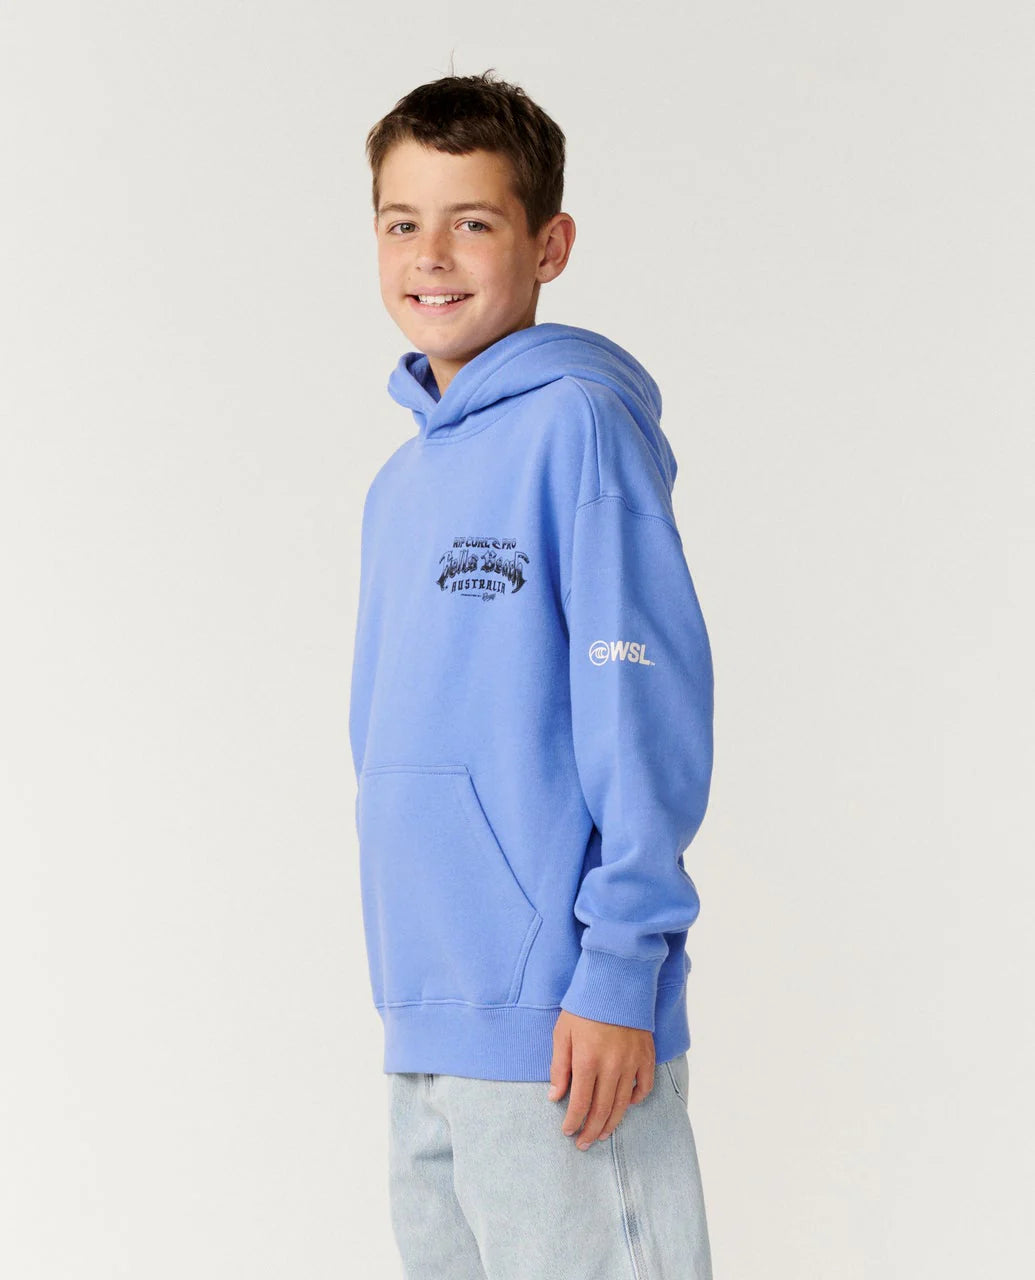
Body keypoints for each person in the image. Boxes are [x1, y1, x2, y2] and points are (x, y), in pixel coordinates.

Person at [349, 68, 716, 1279]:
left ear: (549, 244)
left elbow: (642, 705)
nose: (430, 255)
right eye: (402, 221)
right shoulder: (401, 486)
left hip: (562, 1016)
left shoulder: (579, 427)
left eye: (473, 221)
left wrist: (619, 968)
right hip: (427, 1014)